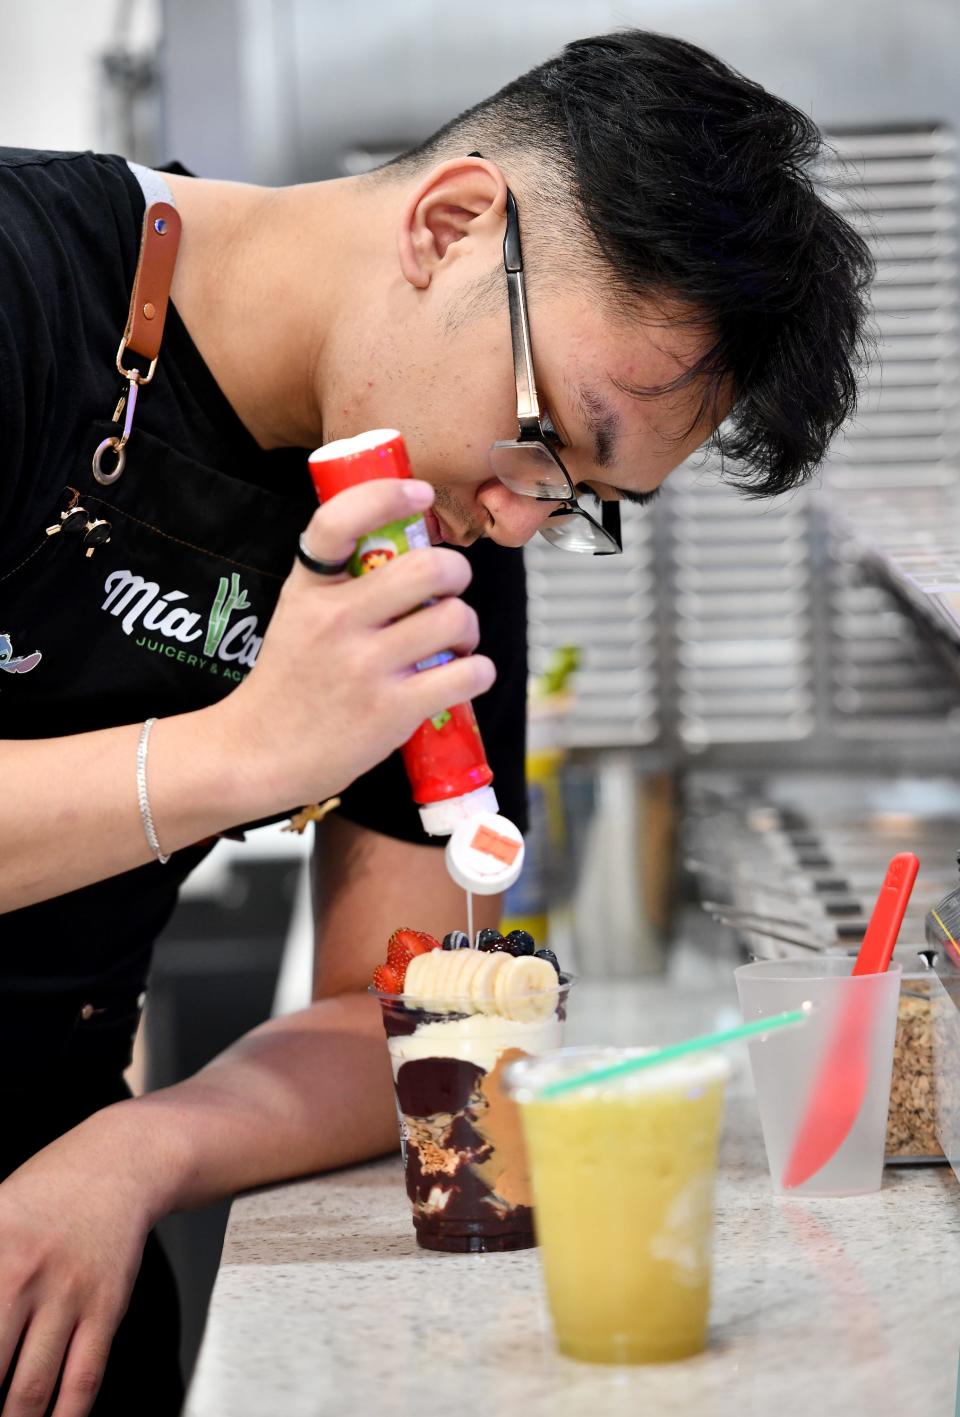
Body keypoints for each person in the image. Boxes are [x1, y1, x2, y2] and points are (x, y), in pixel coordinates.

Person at [0, 28, 871, 1417]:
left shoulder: (449, 531)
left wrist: (134, 1151)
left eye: (588, 498)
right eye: (551, 432)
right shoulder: (26, 289)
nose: (525, 512)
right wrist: (241, 752)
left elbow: (401, 1012)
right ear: (451, 224)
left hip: (54, 1222)